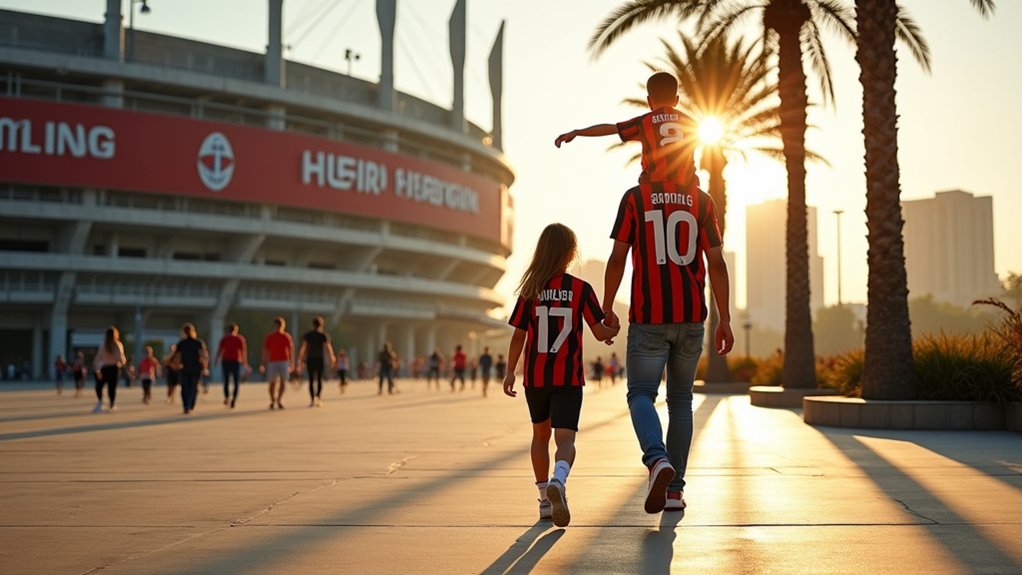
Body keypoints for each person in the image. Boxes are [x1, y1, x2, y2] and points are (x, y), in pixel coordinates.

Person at [602, 176, 734, 514]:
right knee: (680, 401)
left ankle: (657, 459)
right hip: (691, 318)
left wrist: (606, 306)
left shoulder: (635, 198)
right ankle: (674, 492)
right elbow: (716, 263)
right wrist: (725, 318)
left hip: (649, 318)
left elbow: (617, 257)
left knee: (641, 393)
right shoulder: (704, 201)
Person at [503, 223, 619, 527]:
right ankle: (560, 478)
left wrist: (508, 372)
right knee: (565, 438)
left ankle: (544, 498)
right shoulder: (581, 290)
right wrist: (614, 330)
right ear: (569, 254)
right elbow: (599, 330)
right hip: (568, 377)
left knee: (539, 436)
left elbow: (519, 336)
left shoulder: (531, 290)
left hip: (536, 377)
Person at [555, 71, 698, 188]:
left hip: (652, 190)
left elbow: (610, 129)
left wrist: (578, 132)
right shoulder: (692, 124)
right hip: (688, 191)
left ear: (649, 101)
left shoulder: (644, 122)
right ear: (676, 100)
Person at [170, 323, 209, 415]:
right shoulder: (199, 342)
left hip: (185, 368)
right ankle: (190, 405)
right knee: (193, 387)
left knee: (185, 387)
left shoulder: (181, 343)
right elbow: (204, 356)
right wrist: (205, 367)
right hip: (196, 368)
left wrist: (172, 363)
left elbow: (176, 356)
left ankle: (186, 406)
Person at [298, 316, 336, 407]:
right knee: (319, 379)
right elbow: (328, 347)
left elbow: (303, 348)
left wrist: (300, 359)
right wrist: (332, 357)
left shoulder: (308, 335)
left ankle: (312, 400)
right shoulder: (323, 335)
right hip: (319, 359)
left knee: (311, 380)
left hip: (310, 359)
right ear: (321, 324)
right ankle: (318, 398)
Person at [260, 316, 294, 410]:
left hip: (284, 361)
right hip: (272, 362)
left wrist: (291, 362)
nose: (278, 327)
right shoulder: (270, 337)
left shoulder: (286, 336)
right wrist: (263, 363)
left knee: (283, 382)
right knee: (272, 383)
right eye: (276, 325)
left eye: (279, 325)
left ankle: (279, 400)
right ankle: (272, 400)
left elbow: (290, 350)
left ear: (282, 326)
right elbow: (265, 350)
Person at [92, 326, 126, 413]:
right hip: (108, 368)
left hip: (112, 368)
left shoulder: (117, 345)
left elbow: (120, 358)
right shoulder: (104, 345)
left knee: (108, 387)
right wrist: (97, 369)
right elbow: (121, 359)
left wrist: (97, 369)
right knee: (103, 387)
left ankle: (111, 404)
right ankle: (103, 403)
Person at [215, 322, 248, 409]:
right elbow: (243, 352)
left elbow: (220, 350)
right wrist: (245, 362)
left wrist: (216, 360)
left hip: (226, 361)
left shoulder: (224, 339)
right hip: (235, 361)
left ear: (228, 330)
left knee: (226, 380)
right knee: (236, 381)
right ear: (236, 330)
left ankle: (227, 397)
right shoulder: (239, 339)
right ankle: (233, 399)